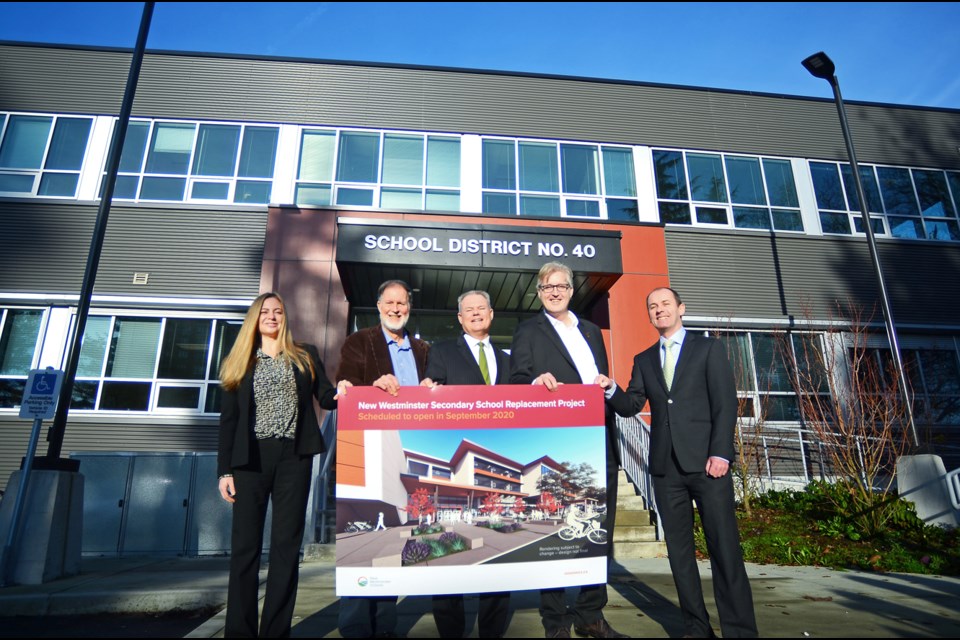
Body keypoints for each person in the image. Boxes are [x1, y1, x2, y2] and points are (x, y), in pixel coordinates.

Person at [606, 287, 759, 638]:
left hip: (709, 466)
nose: (659, 310)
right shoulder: (644, 359)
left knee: (725, 552)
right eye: (652, 307)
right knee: (680, 555)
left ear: (680, 308)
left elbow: (725, 403)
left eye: (664, 304)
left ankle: (739, 631)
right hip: (665, 470)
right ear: (649, 316)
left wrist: (721, 453)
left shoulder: (708, 349)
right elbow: (630, 406)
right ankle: (696, 628)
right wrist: (611, 389)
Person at [509, 262, 627, 640]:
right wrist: (533, 381)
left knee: (598, 532)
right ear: (539, 291)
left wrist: (606, 383)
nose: (555, 292)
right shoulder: (529, 329)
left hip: (598, 439)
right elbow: (516, 380)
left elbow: (599, 381)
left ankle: (591, 615)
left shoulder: (591, 331)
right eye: (547, 287)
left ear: (571, 291)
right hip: (559, 445)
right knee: (555, 531)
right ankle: (556, 621)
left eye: (561, 286)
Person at [217, 291, 344, 638]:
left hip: (293, 460)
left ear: (284, 318)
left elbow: (326, 398)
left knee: (287, 549)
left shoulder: (304, 356)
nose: (272, 316)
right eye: (265, 312)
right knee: (245, 549)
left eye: (278, 311)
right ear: (255, 319)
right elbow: (228, 421)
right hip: (250, 461)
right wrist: (224, 472)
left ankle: (276, 632)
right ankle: (240, 632)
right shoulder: (239, 361)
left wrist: (345, 391)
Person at [336, 279, 430, 639]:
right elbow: (344, 386)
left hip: (403, 452)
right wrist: (369, 386)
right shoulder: (359, 342)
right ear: (378, 306)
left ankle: (386, 627)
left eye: (402, 303)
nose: (396, 308)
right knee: (360, 542)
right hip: (367, 449)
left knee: (391, 543)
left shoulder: (423, 350)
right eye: (389, 302)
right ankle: (357, 627)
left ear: (409, 308)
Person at [421, 289, 511, 639]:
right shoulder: (442, 351)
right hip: (457, 467)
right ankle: (451, 631)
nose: (475, 314)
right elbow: (433, 397)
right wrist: (428, 388)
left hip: (497, 467)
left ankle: (492, 631)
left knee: (495, 553)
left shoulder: (507, 356)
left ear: (491, 314)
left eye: (481, 309)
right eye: (468, 310)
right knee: (450, 553)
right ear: (459, 318)